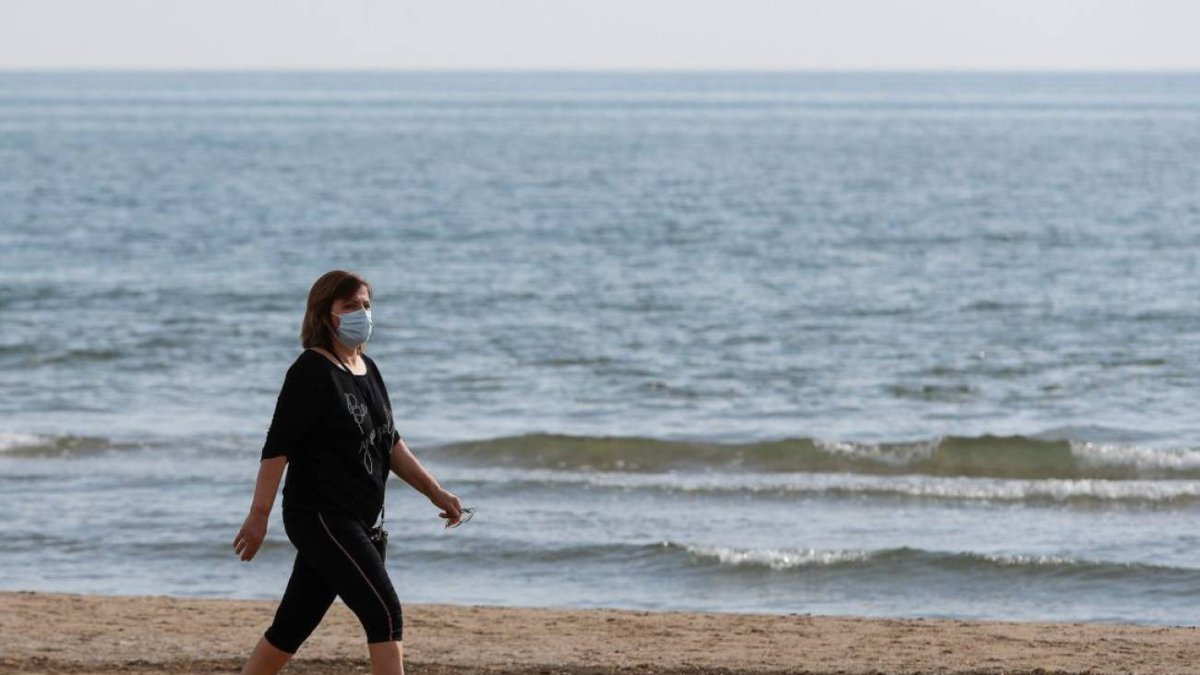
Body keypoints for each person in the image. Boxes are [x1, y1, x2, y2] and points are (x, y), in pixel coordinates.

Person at [233, 270, 465, 675]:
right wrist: (258, 517)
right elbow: (276, 449)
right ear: (326, 315)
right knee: (385, 612)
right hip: (320, 517)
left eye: (366, 305)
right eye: (350, 306)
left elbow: (389, 443)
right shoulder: (310, 373)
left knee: (293, 625)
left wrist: (436, 492)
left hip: (358, 520)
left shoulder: (367, 368)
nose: (362, 313)